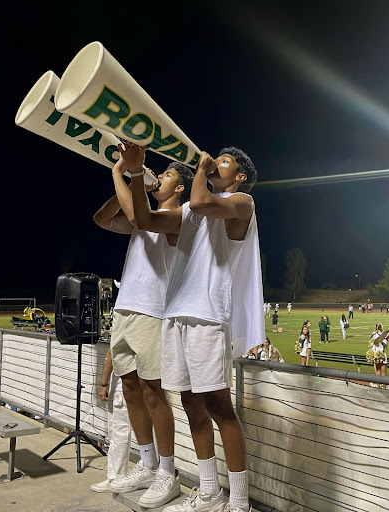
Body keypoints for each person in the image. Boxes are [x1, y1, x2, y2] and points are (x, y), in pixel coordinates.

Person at [131, 147, 263, 512]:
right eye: (215, 158)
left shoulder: (241, 201)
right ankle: (209, 493)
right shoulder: (190, 208)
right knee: (191, 403)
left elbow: (203, 201)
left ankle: (239, 503)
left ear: (239, 176)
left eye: (225, 161)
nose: (215, 162)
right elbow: (146, 221)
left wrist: (201, 172)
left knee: (219, 406)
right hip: (176, 313)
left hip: (207, 314)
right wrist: (134, 175)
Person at [92, 143, 194, 508]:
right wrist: (125, 176)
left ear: (180, 187)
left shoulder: (179, 216)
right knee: (131, 390)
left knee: (154, 393)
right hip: (125, 309)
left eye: (166, 175)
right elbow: (103, 219)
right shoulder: (144, 210)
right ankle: (148, 465)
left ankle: (168, 473)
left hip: (153, 313)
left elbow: (138, 218)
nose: (160, 177)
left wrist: (127, 173)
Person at [91, 345, 131, 491]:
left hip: (121, 387)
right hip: (129, 386)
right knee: (118, 434)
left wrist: (103, 384)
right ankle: (115, 476)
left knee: (118, 434)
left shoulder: (122, 323)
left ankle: (116, 477)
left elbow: (111, 354)